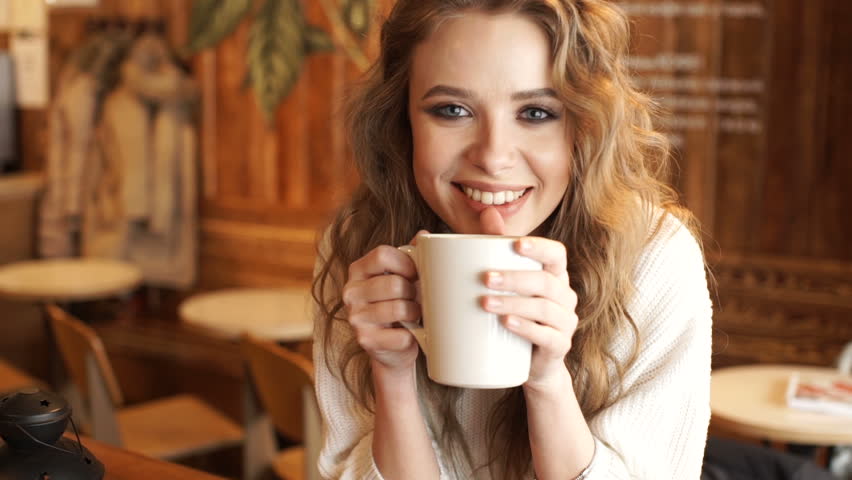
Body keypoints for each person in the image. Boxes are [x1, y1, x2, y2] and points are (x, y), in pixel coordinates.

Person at [312, 0, 713, 479]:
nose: (493, 156)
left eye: (537, 112)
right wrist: (392, 376)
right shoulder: (361, 248)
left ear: (582, 125)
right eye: (453, 110)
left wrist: (547, 381)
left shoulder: (655, 258)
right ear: (403, 121)